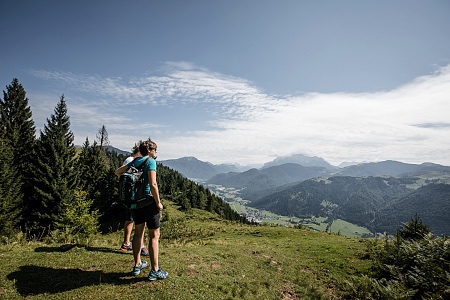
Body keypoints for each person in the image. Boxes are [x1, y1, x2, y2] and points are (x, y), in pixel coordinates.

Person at [114, 140, 168, 281]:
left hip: (135, 204)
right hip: (148, 202)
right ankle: (155, 270)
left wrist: (131, 166)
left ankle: (137, 264)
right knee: (154, 235)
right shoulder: (150, 161)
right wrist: (158, 203)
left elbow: (117, 172)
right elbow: (153, 184)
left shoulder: (134, 162)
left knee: (138, 233)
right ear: (150, 150)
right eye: (155, 150)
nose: (156, 153)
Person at [119, 146, 149, 257]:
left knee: (130, 220)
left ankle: (126, 243)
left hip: (127, 196)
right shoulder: (132, 161)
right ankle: (141, 246)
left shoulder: (128, 160)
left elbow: (119, 174)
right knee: (140, 222)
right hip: (135, 196)